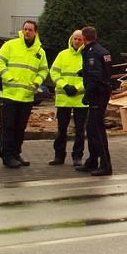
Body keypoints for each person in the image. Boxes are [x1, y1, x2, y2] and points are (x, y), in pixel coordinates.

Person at [0, 20, 49, 168]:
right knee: (8, 126)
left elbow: (44, 70)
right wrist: (8, 77)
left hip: (26, 96)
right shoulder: (10, 45)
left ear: (35, 32)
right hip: (10, 95)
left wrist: (36, 82)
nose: (27, 32)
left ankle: (16, 153)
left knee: (20, 128)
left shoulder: (40, 52)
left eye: (30, 30)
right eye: (25, 29)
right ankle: (7, 156)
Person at [76, 26, 113, 176]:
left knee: (97, 131)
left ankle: (105, 165)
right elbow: (105, 72)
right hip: (101, 93)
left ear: (85, 39)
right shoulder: (102, 51)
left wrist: (88, 95)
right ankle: (92, 161)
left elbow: (95, 77)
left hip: (97, 95)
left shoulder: (92, 53)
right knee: (91, 129)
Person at [49, 29, 89, 166]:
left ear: (84, 40)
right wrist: (65, 86)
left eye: (80, 39)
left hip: (80, 100)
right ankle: (59, 156)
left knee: (80, 130)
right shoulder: (62, 55)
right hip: (64, 98)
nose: (77, 41)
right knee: (61, 129)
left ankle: (77, 157)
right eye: (75, 39)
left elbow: (89, 76)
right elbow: (54, 72)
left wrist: (77, 88)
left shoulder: (87, 56)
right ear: (71, 39)